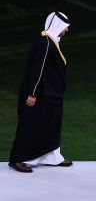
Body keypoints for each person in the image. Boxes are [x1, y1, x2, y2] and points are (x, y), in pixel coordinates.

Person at [9, 11, 73, 173]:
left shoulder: (49, 41)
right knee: (31, 126)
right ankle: (18, 159)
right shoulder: (45, 43)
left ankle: (51, 157)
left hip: (51, 95)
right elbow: (38, 68)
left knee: (51, 126)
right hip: (41, 95)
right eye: (65, 27)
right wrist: (32, 93)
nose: (66, 30)